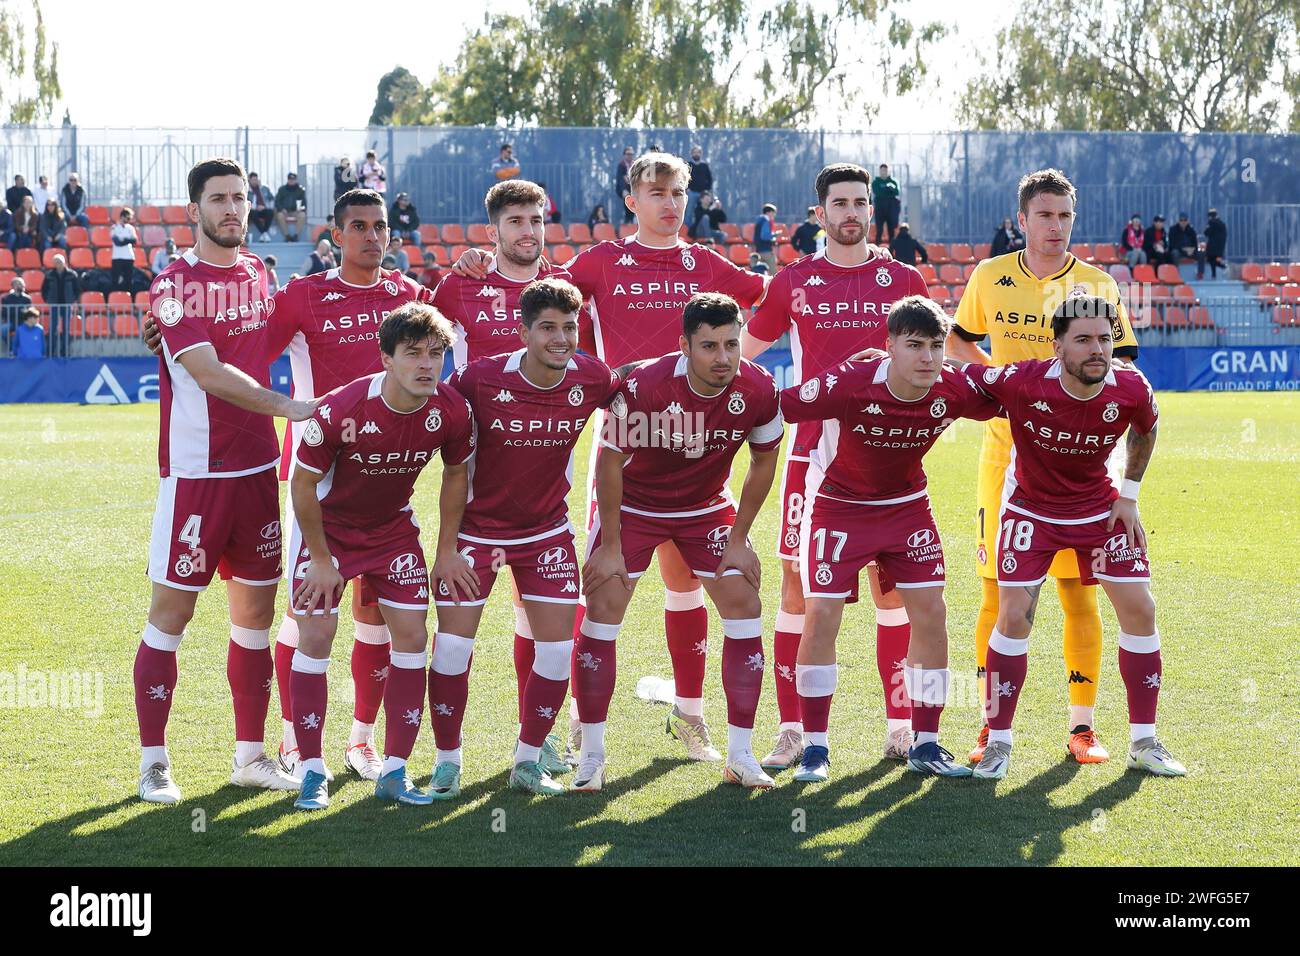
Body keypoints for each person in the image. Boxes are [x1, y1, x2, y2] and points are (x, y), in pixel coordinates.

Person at [451, 152, 767, 763]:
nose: (670, 203)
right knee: (603, 585)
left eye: (679, 192)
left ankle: (691, 715)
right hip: (627, 447)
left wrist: (736, 364)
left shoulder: (705, 263)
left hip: (700, 452)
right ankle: (578, 723)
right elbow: (540, 290)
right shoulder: (600, 262)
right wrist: (482, 262)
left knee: (687, 586)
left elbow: (773, 300)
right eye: (656, 192)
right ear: (631, 200)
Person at [142, 187, 441, 783]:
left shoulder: (268, 274)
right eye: (357, 226)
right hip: (286, 477)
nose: (371, 236)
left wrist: (472, 266)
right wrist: (171, 338)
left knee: (342, 617)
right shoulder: (294, 294)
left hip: (363, 482)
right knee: (286, 618)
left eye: (380, 226)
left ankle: (332, 747)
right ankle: (186, 760)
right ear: (334, 235)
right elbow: (232, 358)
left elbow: (455, 323)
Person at [945, 167, 1140, 767]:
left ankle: (1082, 728)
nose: (1055, 227)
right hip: (1006, 454)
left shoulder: (1096, 285)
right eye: (1044, 216)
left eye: (1065, 217)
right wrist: (1011, 391)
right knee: (994, 595)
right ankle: (989, 727)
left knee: (1080, 594)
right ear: (1022, 219)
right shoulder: (990, 276)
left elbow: (1125, 370)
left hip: (1080, 463)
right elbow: (958, 343)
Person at [133, 157, 313, 804]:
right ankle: (154, 763)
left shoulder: (260, 274)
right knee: (171, 614)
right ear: (194, 210)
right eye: (219, 199)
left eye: (239, 197)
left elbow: (273, 341)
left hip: (258, 475)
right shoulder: (173, 286)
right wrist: (289, 407)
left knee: (255, 620)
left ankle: (250, 757)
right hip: (196, 479)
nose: (232, 208)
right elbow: (209, 372)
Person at [743, 162, 931, 769]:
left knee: (895, 594)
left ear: (871, 212)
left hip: (889, 459)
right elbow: (745, 354)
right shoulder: (794, 280)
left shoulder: (904, 280)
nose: (851, 213)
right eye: (839, 204)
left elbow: (929, 364)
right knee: (798, 595)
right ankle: (795, 730)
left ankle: (901, 725)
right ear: (819, 214)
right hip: (812, 455)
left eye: (860, 203)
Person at [958, 295, 1184, 780]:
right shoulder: (1022, 380)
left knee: (1141, 607)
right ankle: (998, 742)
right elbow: (961, 378)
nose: (1097, 349)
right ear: (1058, 346)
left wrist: (1129, 495)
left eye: (1104, 338)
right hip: (1030, 510)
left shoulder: (1129, 387)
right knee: (1014, 615)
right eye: (1083, 340)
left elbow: (1146, 430)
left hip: (1098, 509)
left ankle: (1143, 741)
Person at [779, 296, 1003, 781]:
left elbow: (1015, 389)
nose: (927, 357)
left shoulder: (953, 386)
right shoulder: (852, 382)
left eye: (937, 346)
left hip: (906, 509)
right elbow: (782, 406)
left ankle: (925, 741)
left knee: (932, 613)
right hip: (839, 507)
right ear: (889, 347)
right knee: (820, 617)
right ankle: (816, 747)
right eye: (915, 345)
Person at [577, 292, 784, 791]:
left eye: (731, 344)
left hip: (705, 507)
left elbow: (763, 462)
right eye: (709, 346)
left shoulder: (759, 388)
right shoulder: (644, 385)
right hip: (634, 505)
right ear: (684, 346)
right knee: (603, 605)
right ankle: (592, 753)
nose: (723, 357)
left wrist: (740, 539)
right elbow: (609, 463)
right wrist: (608, 544)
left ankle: (741, 754)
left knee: (743, 599)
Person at [433, 278, 623, 797]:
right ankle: (447, 761)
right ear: (522, 331)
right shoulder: (478, 379)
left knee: (558, 651)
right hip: (478, 531)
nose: (561, 338)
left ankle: (528, 760)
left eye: (569, 327)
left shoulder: (592, 377)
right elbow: (450, 465)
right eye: (547, 328)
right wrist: (446, 550)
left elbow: (634, 387)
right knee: (451, 649)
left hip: (546, 533)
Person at [285, 303, 474, 810]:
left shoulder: (451, 411)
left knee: (412, 638)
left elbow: (457, 475)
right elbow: (302, 485)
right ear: (386, 358)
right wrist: (322, 560)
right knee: (317, 635)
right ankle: (310, 770)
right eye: (413, 354)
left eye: (436, 354)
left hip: (392, 531)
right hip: (328, 532)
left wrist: (447, 551)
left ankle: (394, 770)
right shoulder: (341, 409)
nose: (427, 365)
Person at [434, 179, 572, 368]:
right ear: (493, 233)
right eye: (515, 221)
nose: (529, 232)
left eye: (536, 221)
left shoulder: (563, 283)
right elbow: (418, 346)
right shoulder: (459, 285)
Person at [41, 254, 79, 358]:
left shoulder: (72, 274)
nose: (58, 264)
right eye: (56, 262)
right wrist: (47, 300)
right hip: (54, 305)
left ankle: (65, 352)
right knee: (53, 329)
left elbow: (77, 289)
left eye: (59, 261)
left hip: (66, 305)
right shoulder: (49, 275)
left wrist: (72, 300)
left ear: (64, 261)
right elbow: (44, 289)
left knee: (66, 329)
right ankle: (50, 352)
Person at [871, 164, 901, 245]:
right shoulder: (876, 182)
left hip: (891, 208)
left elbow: (897, 192)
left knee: (891, 230)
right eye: (882, 170)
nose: (883, 172)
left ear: (888, 171)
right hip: (880, 208)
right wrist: (888, 191)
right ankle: (877, 247)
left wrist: (890, 189)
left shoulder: (893, 182)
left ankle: (891, 250)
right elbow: (877, 192)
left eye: (885, 170)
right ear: (880, 171)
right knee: (879, 230)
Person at [110, 207, 138, 292]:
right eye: (128, 218)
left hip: (129, 257)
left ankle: (128, 299)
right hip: (117, 257)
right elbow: (117, 242)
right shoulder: (114, 227)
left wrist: (124, 240)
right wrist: (128, 240)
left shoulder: (131, 228)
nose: (129, 220)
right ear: (122, 216)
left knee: (128, 281)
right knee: (115, 280)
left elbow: (135, 240)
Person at [274, 172, 307, 242]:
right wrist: (282, 209)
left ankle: (296, 235)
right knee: (279, 215)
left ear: (296, 180)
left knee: (302, 215)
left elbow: (304, 204)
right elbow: (277, 201)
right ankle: (287, 236)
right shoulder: (282, 189)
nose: (291, 181)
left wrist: (300, 209)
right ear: (288, 180)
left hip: (295, 212)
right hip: (284, 211)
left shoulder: (301, 190)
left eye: (293, 179)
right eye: (290, 179)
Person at [2, 277, 32, 353]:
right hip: (11, 321)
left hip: (23, 322)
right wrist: (19, 311)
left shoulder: (27, 298)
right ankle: (12, 348)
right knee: (3, 330)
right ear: (13, 286)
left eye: (21, 284)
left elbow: (29, 312)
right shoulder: (7, 298)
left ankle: (19, 350)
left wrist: (23, 312)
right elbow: (4, 312)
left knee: (25, 331)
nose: (20, 285)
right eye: (17, 284)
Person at [247, 172, 275, 241]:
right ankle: (264, 233)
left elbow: (272, 199)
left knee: (270, 212)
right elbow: (246, 202)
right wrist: (256, 207)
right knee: (252, 213)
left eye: (256, 179)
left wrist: (266, 207)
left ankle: (264, 233)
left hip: (264, 209)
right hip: (253, 210)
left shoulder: (264, 188)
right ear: (249, 180)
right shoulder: (246, 190)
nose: (255, 181)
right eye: (253, 180)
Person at [753, 203, 781, 272]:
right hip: (766, 251)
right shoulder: (765, 221)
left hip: (759, 250)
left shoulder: (759, 221)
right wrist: (774, 235)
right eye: (774, 212)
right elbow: (764, 237)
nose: (775, 215)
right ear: (768, 212)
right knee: (773, 273)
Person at [687, 144, 713, 210]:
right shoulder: (688, 165)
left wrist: (707, 190)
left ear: (700, 154)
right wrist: (687, 189)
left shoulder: (705, 165)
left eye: (698, 152)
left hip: (703, 193)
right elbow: (684, 178)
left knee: (703, 211)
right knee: (689, 211)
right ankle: (687, 221)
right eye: (694, 152)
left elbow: (709, 179)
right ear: (692, 154)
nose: (696, 154)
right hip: (691, 192)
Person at [1202, 208, 1226, 279]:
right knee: (1213, 260)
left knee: (1210, 259)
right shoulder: (1222, 224)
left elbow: (1206, 233)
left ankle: (1222, 267)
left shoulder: (1211, 223)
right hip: (1220, 246)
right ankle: (1214, 274)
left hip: (1212, 245)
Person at [613, 146, 635, 224]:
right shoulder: (621, 165)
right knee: (627, 200)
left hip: (633, 188)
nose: (630, 156)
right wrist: (623, 190)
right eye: (628, 154)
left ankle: (631, 220)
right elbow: (620, 179)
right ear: (624, 155)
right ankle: (627, 220)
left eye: (631, 154)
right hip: (623, 189)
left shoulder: (635, 164)